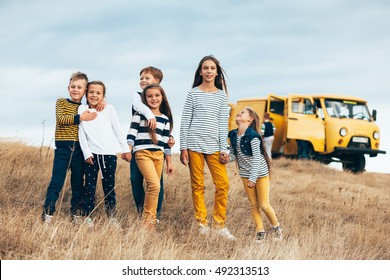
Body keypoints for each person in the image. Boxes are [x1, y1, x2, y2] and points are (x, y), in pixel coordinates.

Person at [180, 55, 236, 240]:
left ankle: (219, 225)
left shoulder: (221, 96)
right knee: (198, 185)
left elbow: (223, 124)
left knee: (223, 184)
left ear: (217, 72)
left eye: (212, 68)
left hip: (214, 147)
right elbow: (185, 121)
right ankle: (201, 224)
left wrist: (224, 149)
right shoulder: (193, 93)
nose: (209, 71)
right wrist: (183, 147)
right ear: (200, 71)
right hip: (194, 143)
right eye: (205, 68)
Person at [41, 71, 99, 224]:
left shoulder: (86, 107)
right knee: (57, 181)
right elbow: (61, 119)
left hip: (80, 149)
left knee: (77, 183)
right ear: (68, 88)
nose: (75, 90)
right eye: (73, 86)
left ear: (85, 91)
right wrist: (81, 118)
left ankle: (75, 213)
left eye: (80, 87)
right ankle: (48, 213)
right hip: (63, 149)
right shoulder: (61, 102)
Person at [78, 81, 131, 227]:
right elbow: (81, 132)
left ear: (103, 96)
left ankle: (112, 216)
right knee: (89, 187)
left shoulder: (109, 109)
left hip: (108, 154)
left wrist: (125, 149)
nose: (94, 95)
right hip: (92, 155)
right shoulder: (82, 109)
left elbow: (117, 129)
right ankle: (87, 215)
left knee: (109, 186)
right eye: (91, 92)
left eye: (98, 93)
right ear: (86, 94)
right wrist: (86, 153)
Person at [228, 107, 282, 242]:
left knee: (264, 205)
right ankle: (260, 232)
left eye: (243, 113)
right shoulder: (233, 135)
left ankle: (276, 228)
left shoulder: (253, 137)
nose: (239, 113)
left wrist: (253, 178)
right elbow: (235, 154)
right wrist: (226, 159)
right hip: (246, 174)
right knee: (253, 204)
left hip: (260, 174)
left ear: (250, 119)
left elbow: (257, 159)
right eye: (239, 112)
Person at [130, 66, 174, 221]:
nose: (143, 80)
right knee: (135, 179)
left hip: (157, 150)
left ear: (157, 81)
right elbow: (138, 108)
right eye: (141, 78)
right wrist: (149, 115)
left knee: (156, 183)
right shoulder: (139, 97)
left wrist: (169, 139)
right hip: (139, 147)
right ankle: (142, 210)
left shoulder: (160, 101)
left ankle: (155, 215)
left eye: (147, 78)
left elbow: (165, 126)